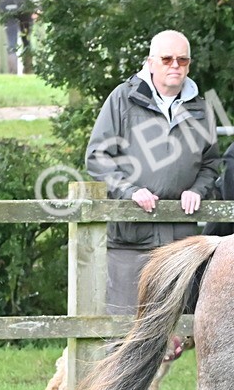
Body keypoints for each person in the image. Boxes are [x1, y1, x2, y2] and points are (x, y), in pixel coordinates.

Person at [86, 30, 221, 319]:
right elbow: (97, 157)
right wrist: (129, 190)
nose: (175, 65)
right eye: (167, 58)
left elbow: (211, 163)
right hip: (130, 238)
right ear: (150, 62)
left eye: (182, 60)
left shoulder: (200, 108)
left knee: (173, 331)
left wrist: (197, 189)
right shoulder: (123, 99)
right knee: (123, 327)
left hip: (179, 238)